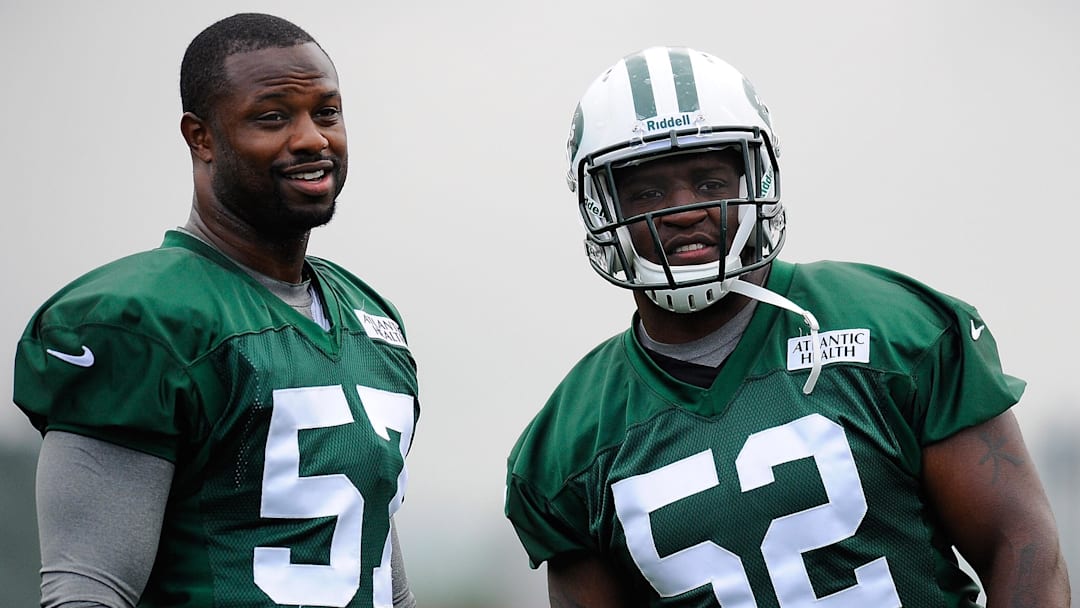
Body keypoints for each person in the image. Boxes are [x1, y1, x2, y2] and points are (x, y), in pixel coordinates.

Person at [504, 46, 1070, 607]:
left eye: (708, 182)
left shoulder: (893, 329)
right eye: (647, 192)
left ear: (756, 176)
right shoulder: (570, 441)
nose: (683, 211)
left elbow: (1020, 546)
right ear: (602, 206)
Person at [13, 13, 419, 608]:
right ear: (201, 136)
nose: (312, 138)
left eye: (326, 113)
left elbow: (372, 561)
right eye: (273, 117)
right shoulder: (143, 319)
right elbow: (88, 590)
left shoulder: (370, 320)